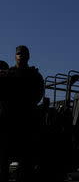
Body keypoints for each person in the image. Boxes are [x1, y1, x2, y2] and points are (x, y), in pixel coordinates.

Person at [0, 46, 44, 182]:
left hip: (27, 119)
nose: (21, 56)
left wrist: (25, 102)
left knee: (26, 159)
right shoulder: (8, 73)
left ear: (28, 56)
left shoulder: (34, 75)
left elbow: (39, 94)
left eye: (23, 54)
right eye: (19, 54)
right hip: (9, 119)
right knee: (4, 156)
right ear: (15, 56)